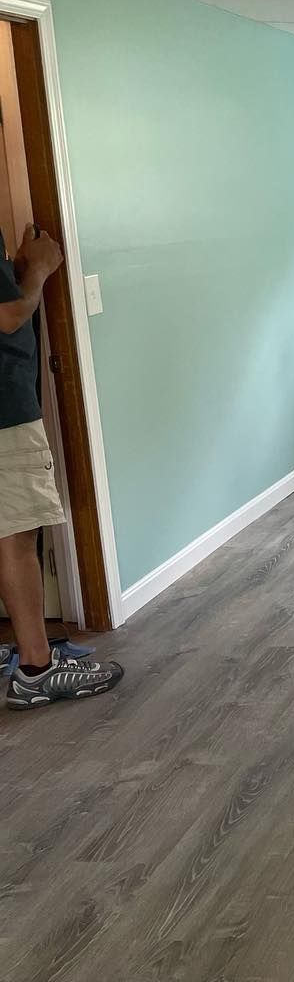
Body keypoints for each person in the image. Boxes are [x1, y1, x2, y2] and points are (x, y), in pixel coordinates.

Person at [1, 224, 122, 709]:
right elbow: (8, 316)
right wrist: (38, 273)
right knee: (16, 534)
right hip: (4, 412)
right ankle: (36, 668)